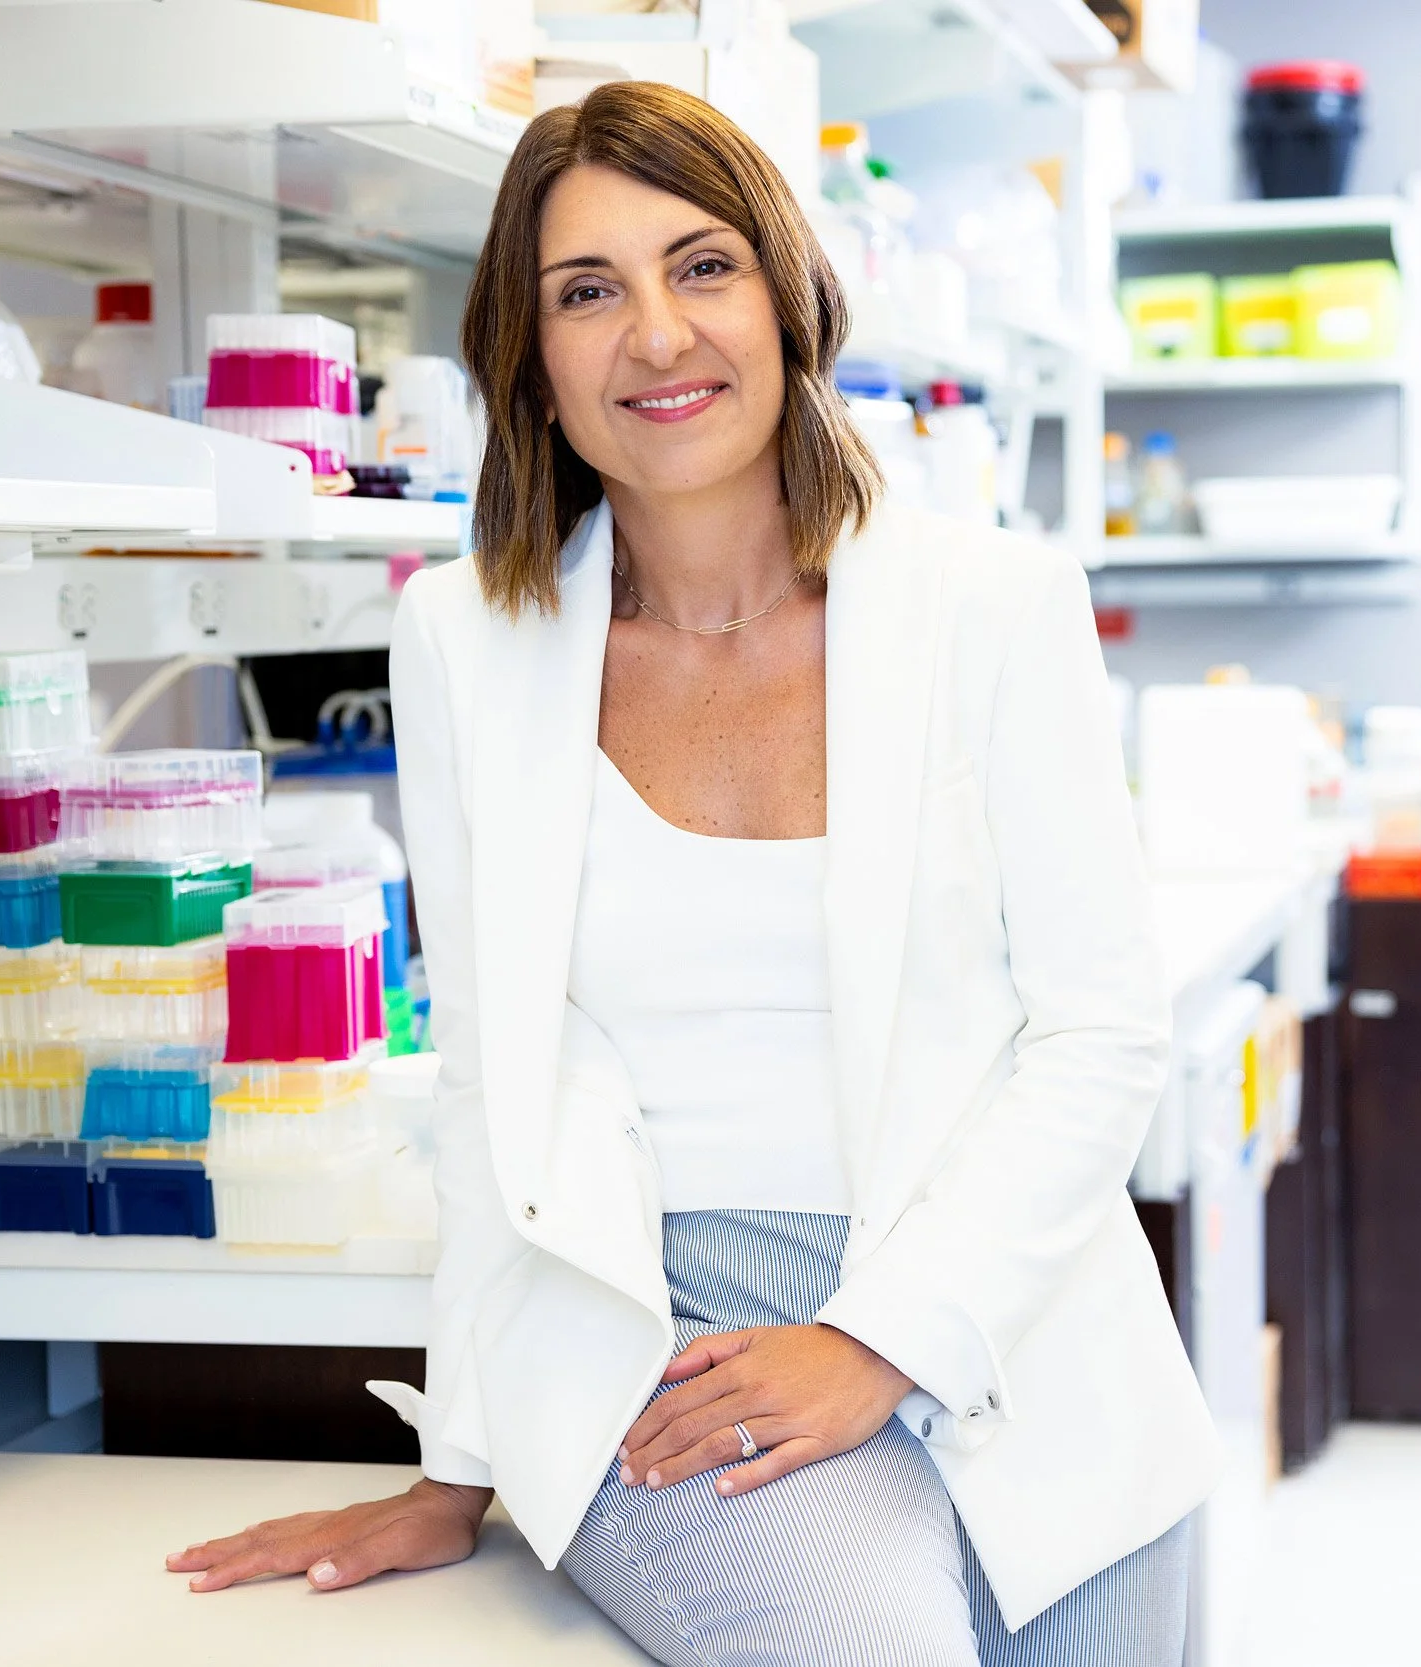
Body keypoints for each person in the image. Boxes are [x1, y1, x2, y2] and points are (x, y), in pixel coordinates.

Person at [166, 80, 1220, 1663]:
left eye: (702, 265)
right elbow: (487, 1082)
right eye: (587, 292)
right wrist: (461, 1459)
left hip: (1022, 1319)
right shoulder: (471, 640)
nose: (655, 334)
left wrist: (881, 1333)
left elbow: (1099, 1031)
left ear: (790, 299)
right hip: (664, 1338)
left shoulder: (991, 604)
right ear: (529, 358)